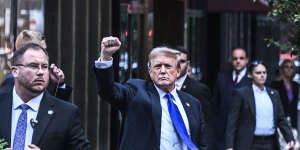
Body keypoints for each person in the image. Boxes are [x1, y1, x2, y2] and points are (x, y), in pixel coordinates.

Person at [94, 36, 207, 150]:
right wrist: (106, 57)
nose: (163, 71)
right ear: (150, 71)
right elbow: (109, 91)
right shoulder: (136, 91)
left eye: (168, 66)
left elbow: (201, 143)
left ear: (177, 71)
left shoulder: (193, 103)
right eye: (157, 66)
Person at [0, 43, 91, 150]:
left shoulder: (66, 113)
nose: (40, 72)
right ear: (15, 71)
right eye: (33, 66)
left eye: (44, 67)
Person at [225, 60, 295, 150]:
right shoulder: (242, 94)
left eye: (264, 72)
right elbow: (232, 121)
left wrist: (290, 138)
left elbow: (281, 119)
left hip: (270, 142)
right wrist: (229, 146)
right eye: (258, 73)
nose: (262, 75)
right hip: (249, 143)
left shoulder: (274, 94)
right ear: (250, 75)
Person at [0, 30, 72, 101]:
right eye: (42, 50)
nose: (45, 54)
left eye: (45, 50)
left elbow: (56, 108)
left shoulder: (43, 77)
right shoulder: (12, 80)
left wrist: (60, 84)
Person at [174, 46, 215, 150]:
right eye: (175, 61)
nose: (178, 65)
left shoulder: (199, 90)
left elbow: (207, 125)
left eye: (182, 61)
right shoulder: (161, 86)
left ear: (188, 65)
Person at [211, 47, 249, 150]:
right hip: (222, 133)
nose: (238, 61)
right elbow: (215, 104)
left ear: (246, 60)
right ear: (231, 60)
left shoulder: (251, 80)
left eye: (241, 58)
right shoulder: (222, 78)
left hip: (243, 134)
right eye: (235, 58)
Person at [270, 59, 299, 129]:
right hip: (279, 123)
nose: (289, 69)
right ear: (282, 69)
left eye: (291, 67)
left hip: (293, 123)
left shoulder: (296, 85)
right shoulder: (275, 85)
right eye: (286, 67)